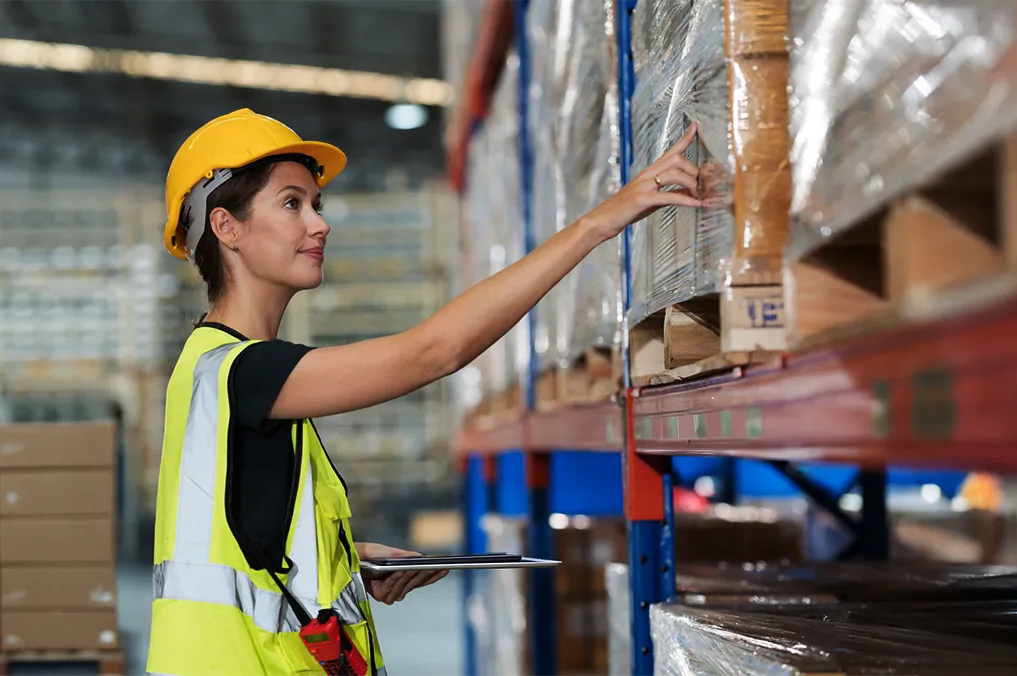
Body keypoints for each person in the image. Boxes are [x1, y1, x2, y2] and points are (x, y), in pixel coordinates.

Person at [145, 108, 703, 676]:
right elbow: (434, 352)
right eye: (292, 204)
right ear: (227, 228)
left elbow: (242, 543)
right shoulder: (240, 372)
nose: (319, 224)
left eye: (316, 204)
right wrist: (599, 223)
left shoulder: (220, 370)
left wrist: (343, 561)